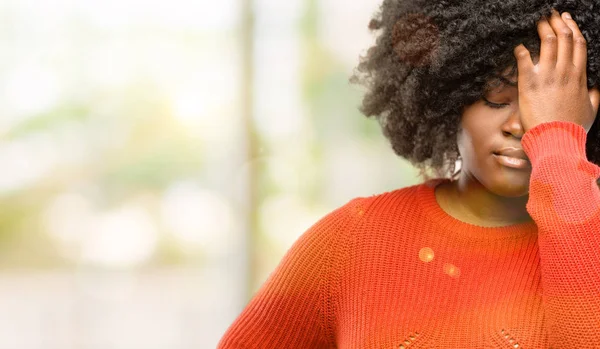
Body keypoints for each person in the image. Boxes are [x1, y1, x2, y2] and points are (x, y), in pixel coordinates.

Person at [218, 1, 600, 347]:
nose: (523, 124)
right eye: (497, 98)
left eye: (556, 104)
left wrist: (557, 138)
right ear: (446, 95)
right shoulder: (350, 241)